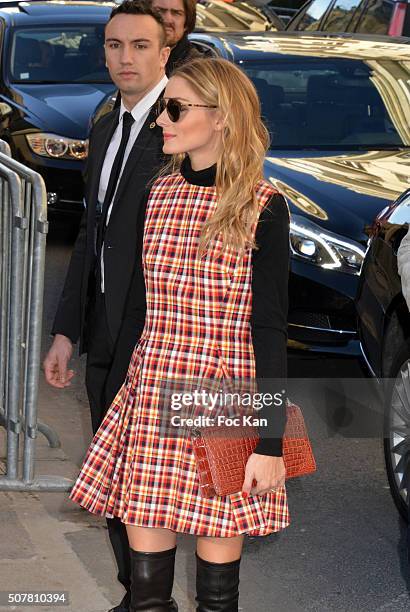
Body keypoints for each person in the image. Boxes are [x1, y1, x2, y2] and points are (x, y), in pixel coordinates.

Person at [69, 57, 290, 611]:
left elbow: (268, 329)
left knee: (217, 598)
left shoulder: (262, 206)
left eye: (175, 108)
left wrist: (270, 443)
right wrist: (118, 398)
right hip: (153, 385)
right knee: (146, 594)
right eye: (164, 107)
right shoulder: (157, 193)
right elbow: (138, 312)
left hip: (223, 394)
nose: (161, 119)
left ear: (220, 117)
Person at [43, 2, 171, 611]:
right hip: (103, 328)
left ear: (165, 51)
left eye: (140, 46)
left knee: (158, 481)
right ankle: (135, 596)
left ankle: (152, 599)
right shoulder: (104, 123)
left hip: (159, 333)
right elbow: (92, 233)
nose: (126, 57)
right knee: (117, 474)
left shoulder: (181, 125)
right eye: (115, 46)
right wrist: (66, 331)